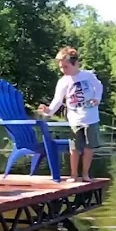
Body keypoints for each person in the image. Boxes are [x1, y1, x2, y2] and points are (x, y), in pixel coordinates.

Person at [38, 46, 103, 182]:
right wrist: (48, 111)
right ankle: (74, 174)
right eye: (61, 67)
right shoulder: (63, 82)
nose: (63, 70)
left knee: (89, 147)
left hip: (91, 117)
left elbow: (99, 86)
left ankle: (85, 174)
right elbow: (57, 100)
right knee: (74, 148)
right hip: (75, 118)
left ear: (76, 64)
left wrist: (97, 98)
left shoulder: (88, 76)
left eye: (66, 67)